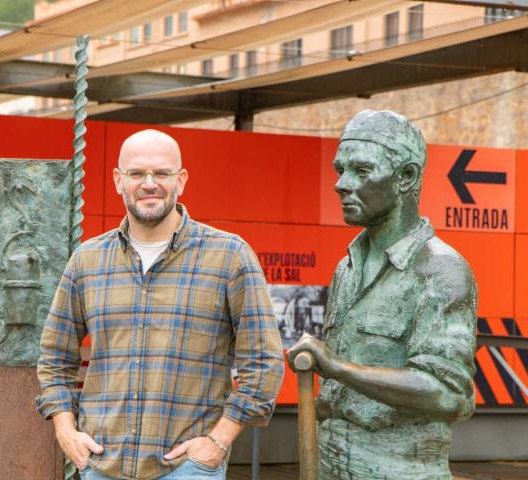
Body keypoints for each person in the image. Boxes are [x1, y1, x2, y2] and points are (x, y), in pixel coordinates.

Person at [37, 129, 284, 480]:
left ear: (180, 180)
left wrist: (219, 440)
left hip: (187, 468)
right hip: (102, 464)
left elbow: (264, 362)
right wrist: (65, 431)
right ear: (118, 181)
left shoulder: (229, 256)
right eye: (137, 174)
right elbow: (53, 357)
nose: (149, 183)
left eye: (162, 174)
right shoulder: (87, 261)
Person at [287, 110, 477, 479]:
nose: (341, 184)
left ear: (405, 177)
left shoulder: (441, 270)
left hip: (399, 468)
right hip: (329, 461)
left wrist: (337, 367)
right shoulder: (348, 266)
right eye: (339, 170)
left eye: (361, 171)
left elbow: (449, 395)